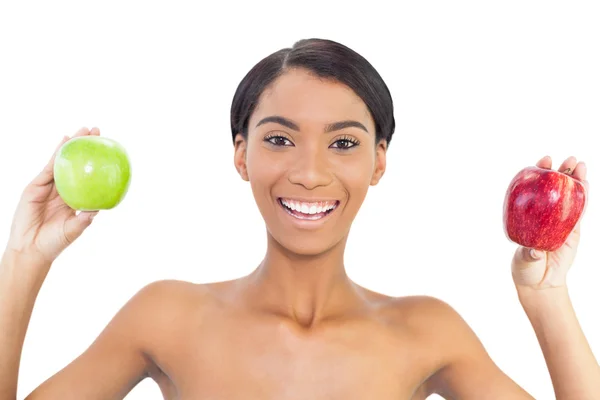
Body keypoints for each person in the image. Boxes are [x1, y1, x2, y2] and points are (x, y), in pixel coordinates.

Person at [0, 38, 598, 400]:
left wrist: (546, 296)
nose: (310, 173)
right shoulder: (167, 317)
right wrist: (23, 261)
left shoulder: (426, 331)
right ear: (241, 155)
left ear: (378, 162)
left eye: (342, 144)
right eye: (280, 139)